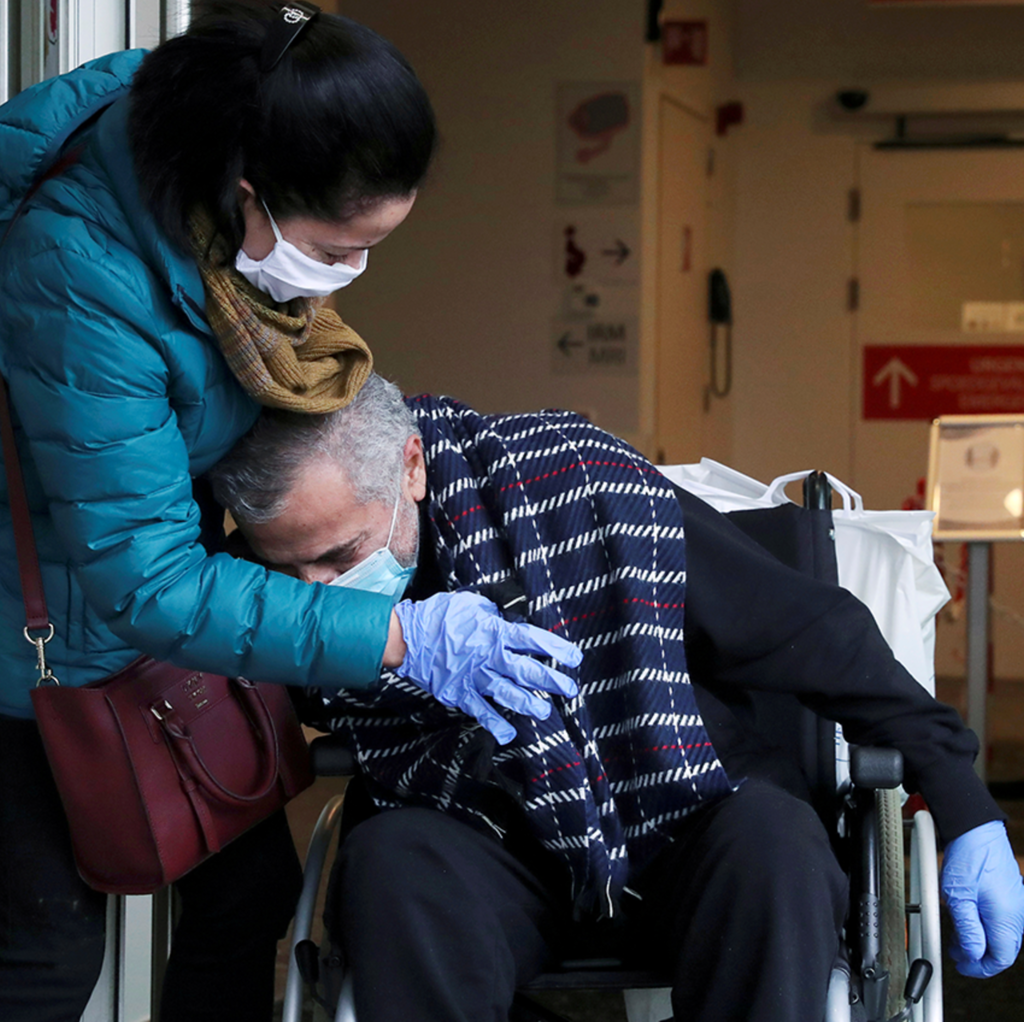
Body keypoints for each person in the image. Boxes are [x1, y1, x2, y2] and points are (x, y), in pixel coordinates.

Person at [0, 4, 577, 1022]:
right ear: (249, 193)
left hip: (143, 633)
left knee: (246, 889)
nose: (348, 279)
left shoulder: (214, 157)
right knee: (46, 955)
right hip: (34, 649)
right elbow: (146, 576)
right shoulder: (76, 271)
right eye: (338, 248)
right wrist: (397, 635)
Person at [210, 373, 1024, 1022]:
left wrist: (964, 801)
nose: (320, 593)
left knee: (778, 842)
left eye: (341, 554)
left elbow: (814, 633)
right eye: (292, 571)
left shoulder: (576, 483)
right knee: (390, 864)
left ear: (413, 469)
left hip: (675, 813)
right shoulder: (267, 591)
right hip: (482, 834)